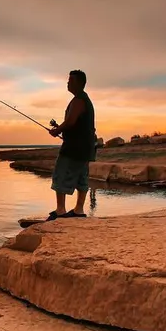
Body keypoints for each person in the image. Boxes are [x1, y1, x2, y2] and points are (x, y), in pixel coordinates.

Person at [46, 70, 96, 220]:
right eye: (68, 81)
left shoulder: (79, 100)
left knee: (60, 175)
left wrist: (57, 130)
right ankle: (78, 210)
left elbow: (70, 122)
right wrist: (61, 129)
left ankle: (60, 211)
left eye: (71, 81)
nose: (68, 83)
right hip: (85, 147)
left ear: (80, 83)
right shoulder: (83, 99)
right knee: (81, 177)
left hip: (74, 148)